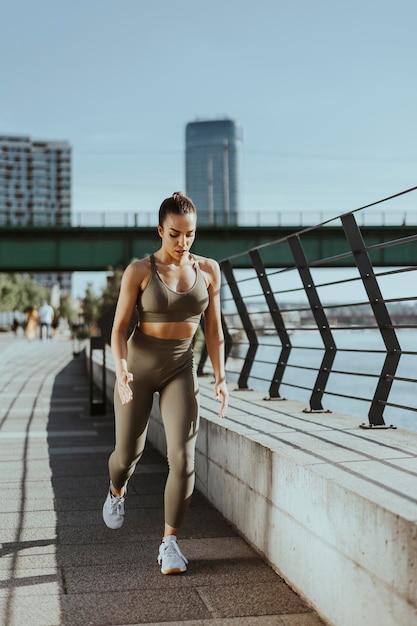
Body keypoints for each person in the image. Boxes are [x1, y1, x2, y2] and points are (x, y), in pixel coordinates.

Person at [102, 191, 228, 575]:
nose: (182, 243)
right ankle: (116, 490)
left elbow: (214, 329)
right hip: (137, 369)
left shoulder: (208, 270)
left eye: (189, 235)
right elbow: (120, 327)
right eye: (174, 234)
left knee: (184, 458)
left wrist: (221, 377)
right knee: (127, 455)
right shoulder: (140, 271)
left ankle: (169, 543)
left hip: (180, 368)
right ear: (160, 230)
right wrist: (121, 368)